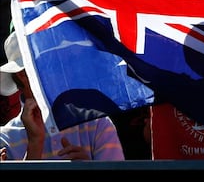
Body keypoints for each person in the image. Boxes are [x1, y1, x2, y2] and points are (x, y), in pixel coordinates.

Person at [0, 31, 125, 160]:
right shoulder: (5, 139)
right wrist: (34, 146)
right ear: (22, 74)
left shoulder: (98, 124)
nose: (65, 70)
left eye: (63, 62)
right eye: (51, 63)